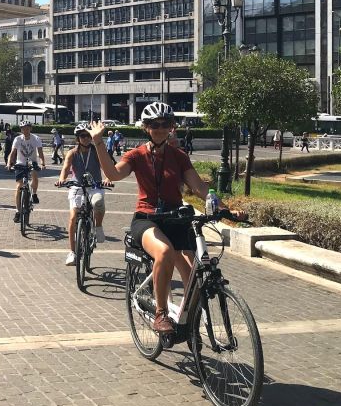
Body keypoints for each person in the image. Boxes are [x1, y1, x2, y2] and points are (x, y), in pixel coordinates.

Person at [90, 102, 239, 335]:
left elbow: (200, 188)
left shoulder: (179, 156)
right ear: (146, 127)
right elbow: (112, 174)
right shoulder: (137, 155)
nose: (160, 129)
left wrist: (226, 208)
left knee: (194, 272)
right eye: (154, 124)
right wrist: (98, 142)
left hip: (176, 218)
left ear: (171, 127)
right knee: (165, 252)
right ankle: (161, 314)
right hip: (147, 219)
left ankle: (189, 316)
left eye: (165, 124)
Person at [56, 123, 112, 266]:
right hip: (77, 185)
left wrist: (108, 178)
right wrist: (62, 180)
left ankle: (98, 226)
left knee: (98, 203)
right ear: (78, 138)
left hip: (95, 185)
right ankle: (72, 252)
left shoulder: (97, 151)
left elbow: (107, 166)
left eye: (88, 135)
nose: (86, 138)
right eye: (83, 136)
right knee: (73, 217)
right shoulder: (72, 153)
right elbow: (65, 168)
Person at [7, 120, 45, 223]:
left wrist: (42, 163)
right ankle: (18, 211)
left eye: (27, 128)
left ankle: (34, 194)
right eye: (23, 128)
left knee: (34, 176)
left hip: (32, 162)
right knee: (19, 186)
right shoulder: (17, 139)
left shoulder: (36, 138)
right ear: (21, 130)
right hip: (20, 163)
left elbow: (40, 153)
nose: (26, 130)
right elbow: (12, 152)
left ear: (30, 129)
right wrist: (9, 163)